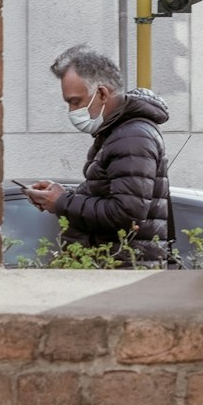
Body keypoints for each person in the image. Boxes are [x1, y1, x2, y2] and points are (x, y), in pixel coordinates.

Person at [25, 44, 173, 265]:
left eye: (76, 101)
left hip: (119, 273)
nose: (72, 111)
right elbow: (111, 196)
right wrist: (62, 195)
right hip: (115, 268)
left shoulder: (131, 138)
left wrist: (62, 202)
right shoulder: (120, 133)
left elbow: (125, 213)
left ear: (102, 93)